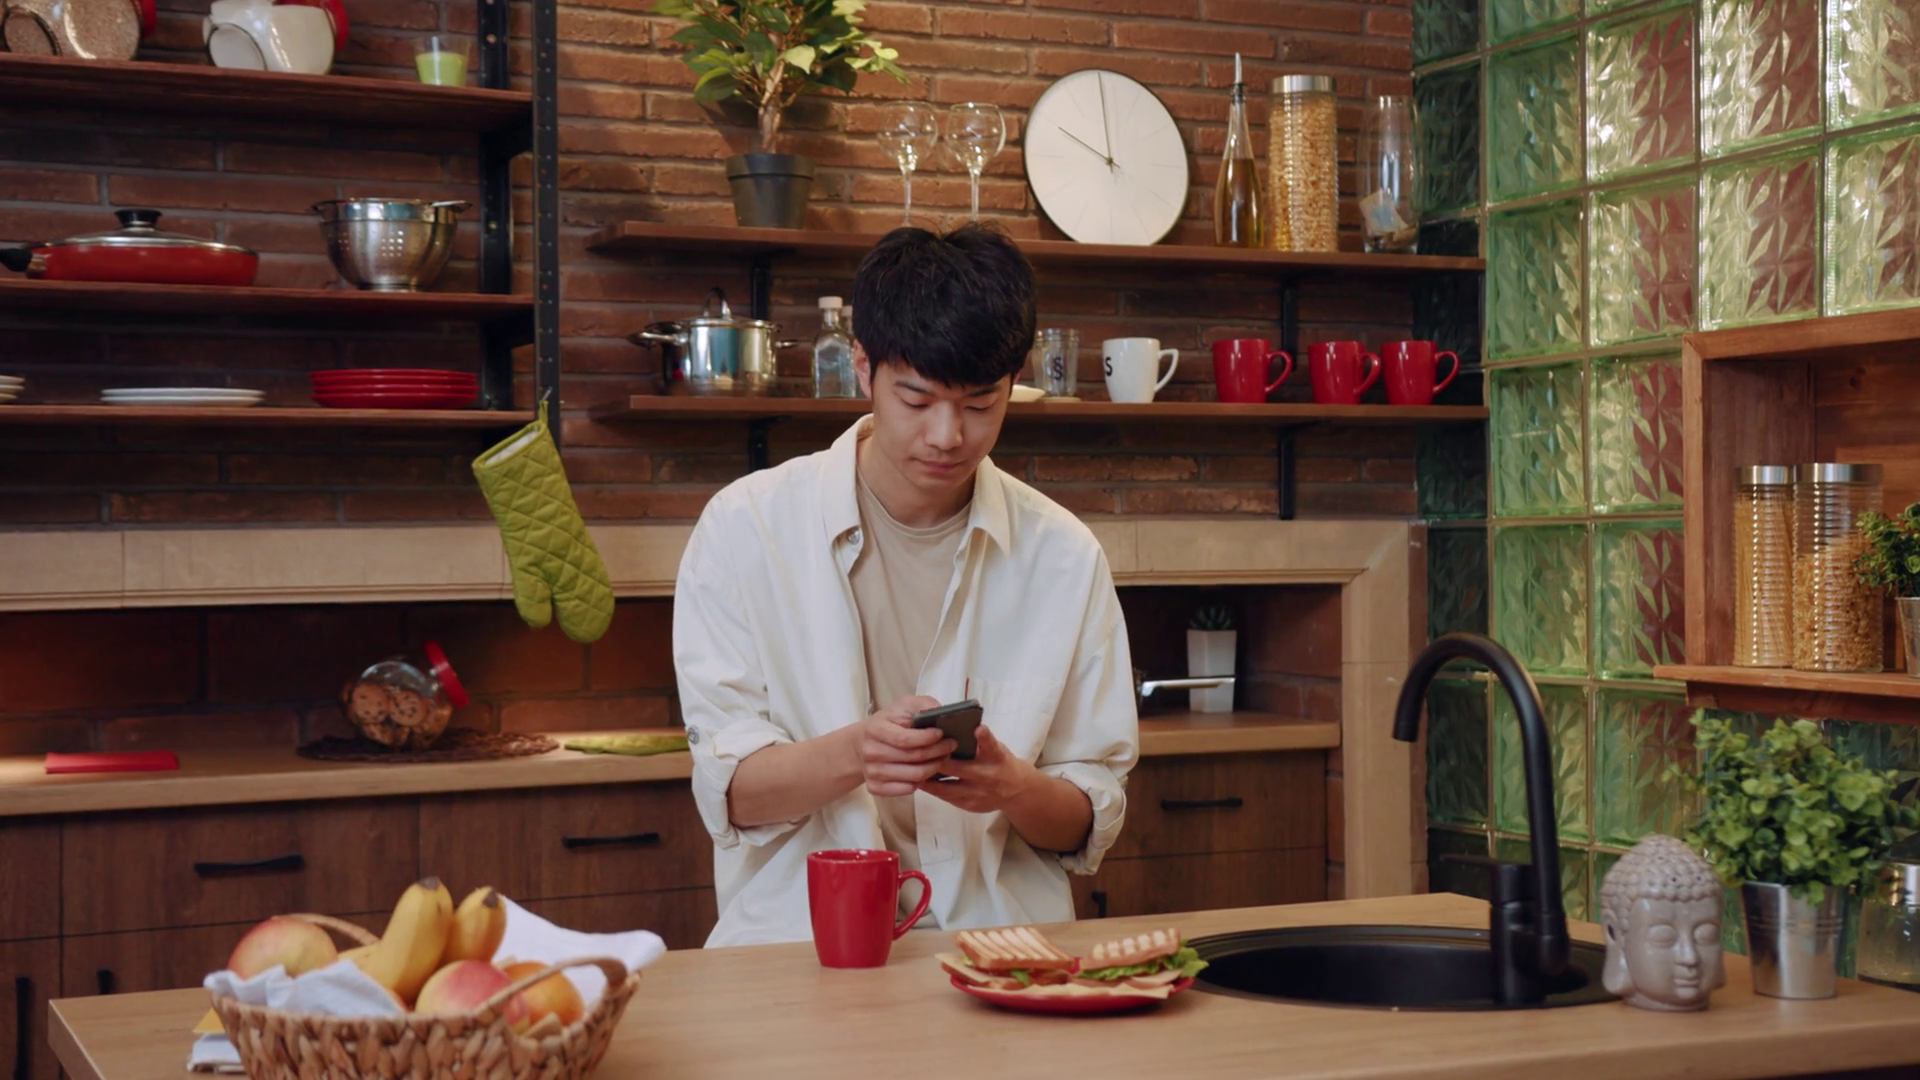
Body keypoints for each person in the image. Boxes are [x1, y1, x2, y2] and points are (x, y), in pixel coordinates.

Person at [673, 224, 1140, 947]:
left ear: (1014, 380)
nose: (948, 435)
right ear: (863, 368)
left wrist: (1014, 786)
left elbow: (1086, 820)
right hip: (795, 950)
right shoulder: (745, 530)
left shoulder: (1064, 556)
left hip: (998, 950)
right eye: (917, 400)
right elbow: (731, 793)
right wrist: (858, 753)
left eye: (980, 404)